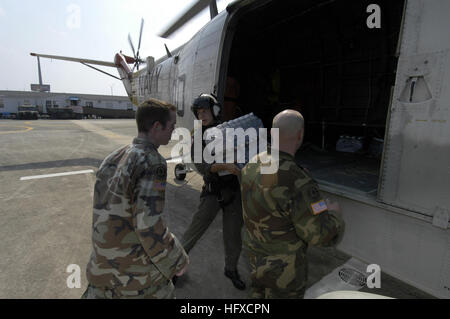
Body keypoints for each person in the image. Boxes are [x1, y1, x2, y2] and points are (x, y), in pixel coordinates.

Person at [83, 98, 189, 299]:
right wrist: (177, 260)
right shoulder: (153, 163)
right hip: (132, 278)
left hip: (101, 270)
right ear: (157, 126)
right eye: (172, 126)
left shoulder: (113, 157)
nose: (173, 132)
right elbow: (149, 224)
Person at [240, 109, 345, 299]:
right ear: (300, 135)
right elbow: (319, 236)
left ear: (272, 133)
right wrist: (335, 215)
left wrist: (295, 175)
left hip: (255, 256)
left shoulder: (252, 163)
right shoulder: (299, 181)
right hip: (284, 269)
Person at [177, 93, 246, 290]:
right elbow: (201, 166)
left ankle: (231, 269)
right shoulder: (197, 137)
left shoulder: (229, 130)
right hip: (213, 191)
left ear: (215, 111)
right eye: (199, 113)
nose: (202, 116)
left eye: (205, 111)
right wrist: (223, 165)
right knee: (193, 232)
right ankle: (173, 267)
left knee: (233, 236)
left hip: (233, 191)